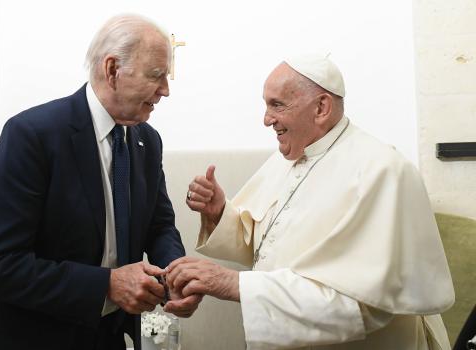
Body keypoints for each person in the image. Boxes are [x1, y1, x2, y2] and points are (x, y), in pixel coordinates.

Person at [165, 54, 455, 349]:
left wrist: (233, 283)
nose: (266, 119)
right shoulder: (288, 160)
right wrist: (220, 214)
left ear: (321, 107)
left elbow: (362, 306)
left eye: (277, 104)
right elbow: (269, 247)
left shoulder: (382, 171)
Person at [0, 15, 200, 350]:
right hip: (35, 337)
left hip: (108, 337)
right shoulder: (31, 135)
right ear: (112, 70)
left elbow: (159, 225)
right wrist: (106, 285)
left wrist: (173, 275)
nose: (165, 89)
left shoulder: (148, 142)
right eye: (156, 75)